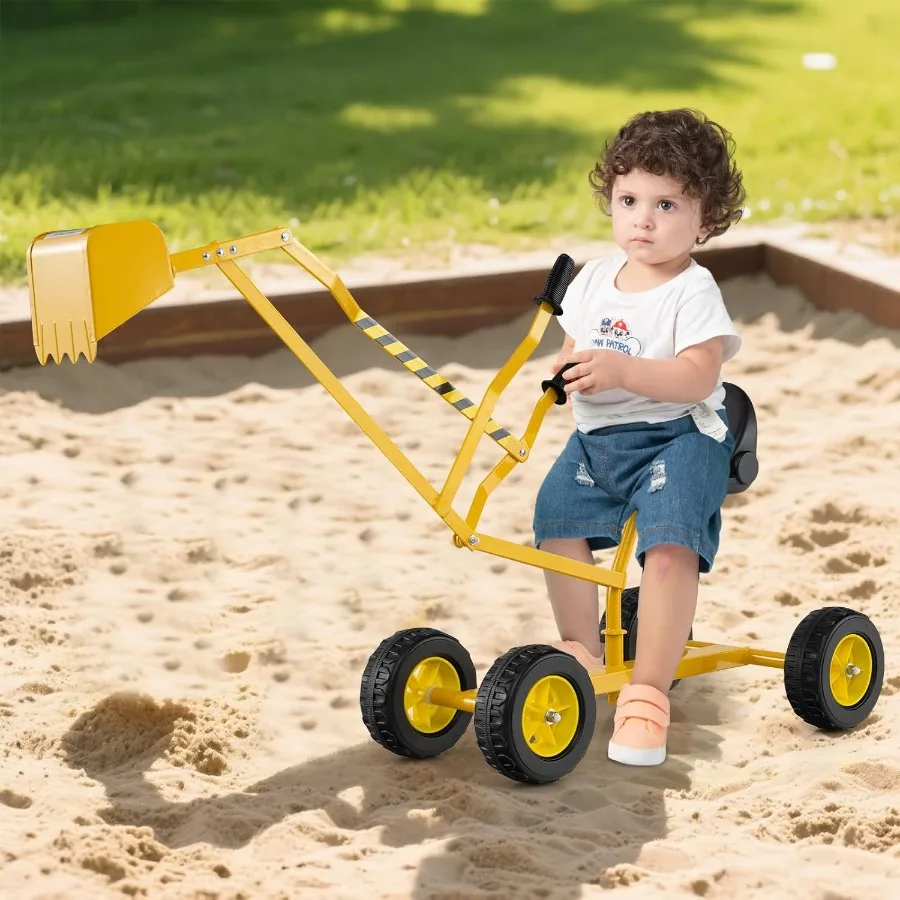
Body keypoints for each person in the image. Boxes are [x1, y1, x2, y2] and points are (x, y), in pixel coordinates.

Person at [532, 108, 746, 766]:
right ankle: (581, 651)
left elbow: (697, 375)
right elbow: (575, 347)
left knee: (669, 547)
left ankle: (648, 694)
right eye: (629, 201)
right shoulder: (595, 278)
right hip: (599, 441)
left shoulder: (692, 290)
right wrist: (566, 373)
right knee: (555, 518)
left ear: (705, 221)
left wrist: (623, 369)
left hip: (680, 438)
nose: (642, 220)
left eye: (666, 205)